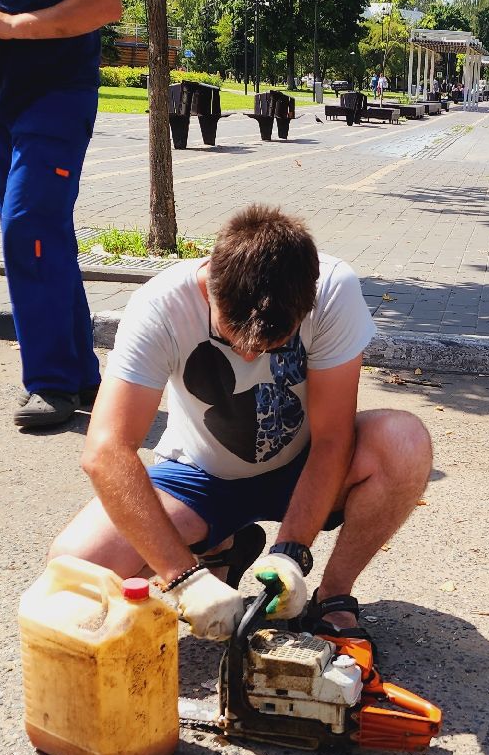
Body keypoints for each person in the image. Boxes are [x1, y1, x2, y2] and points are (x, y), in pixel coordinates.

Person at [47, 205, 432, 648]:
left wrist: (291, 552)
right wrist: (182, 578)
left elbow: (332, 439)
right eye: (233, 337)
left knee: (404, 441)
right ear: (210, 287)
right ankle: (221, 549)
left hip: (301, 468)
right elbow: (105, 451)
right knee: (74, 566)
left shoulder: (333, 289)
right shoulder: (160, 304)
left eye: (274, 344)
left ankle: (332, 597)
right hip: (200, 475)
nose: (249, 357)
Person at [0, 0, 120, 429]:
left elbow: (103, 3)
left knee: (27, 229)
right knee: (43, 237)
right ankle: (81, 375)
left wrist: (9, 25)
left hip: (57, 95)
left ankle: (50, 381)